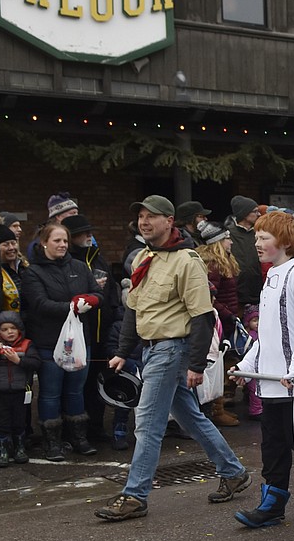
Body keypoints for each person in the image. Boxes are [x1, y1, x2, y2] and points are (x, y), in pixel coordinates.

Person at [94, 196, 249, 522]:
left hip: (171, 349)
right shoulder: (143, 259)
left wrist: (196, 364)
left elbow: (202, 316)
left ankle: (134, 496)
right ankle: (233, 471)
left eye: (152, 216)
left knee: (147, 424)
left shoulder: (187, 261)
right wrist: (123, 352)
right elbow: (134, 310)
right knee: (190, 417)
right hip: (151, 348)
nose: (144, 222)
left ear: (169, 221)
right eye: (140, 217)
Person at [230, 211, 294, 528]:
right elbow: (268, 333)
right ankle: (272, 505)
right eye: (256, 237)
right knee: (273, 445)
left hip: (292, 383)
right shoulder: (271, 275)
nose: (256, 243)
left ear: (284, 241)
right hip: (271, 383)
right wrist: (247, 365)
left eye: (263, 238)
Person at [20, 221, 100, 460]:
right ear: (44, 242)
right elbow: (39, 304)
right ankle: (51, 441)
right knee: (50, 393)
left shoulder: (79, 267)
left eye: (65, 240)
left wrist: (92, 300)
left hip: (78, 341)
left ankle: (78, 437)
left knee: (76, 391)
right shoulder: (33, 272)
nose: (63, 245)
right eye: (57, 240)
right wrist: (72, 306)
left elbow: (97, 292)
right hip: (49, 341)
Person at [65, 214, 121, 443]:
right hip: (79, 335)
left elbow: (112, 293)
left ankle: (96, 427)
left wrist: (114, 317)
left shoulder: (97, 258)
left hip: (102, 331)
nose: (89, 236)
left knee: (99, 383)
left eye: (89, 231)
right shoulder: (70, 262)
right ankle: (76, 432)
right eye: (83, 233)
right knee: (77, 386)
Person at [195, 221, 241, 427]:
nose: (230, 242)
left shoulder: (225, 261)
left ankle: (218, 407)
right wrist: (228, 314)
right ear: (218, 242)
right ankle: (215, 410)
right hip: (219, 320)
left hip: (226, 317)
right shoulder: (212, 265)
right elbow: (211, 295)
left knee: (223, 362)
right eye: (227, 238)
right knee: (215, 365)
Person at [0, 311, 39, 467]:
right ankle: (2, 450)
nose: (9, 332)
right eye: (4, 329)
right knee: (2, 421)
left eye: (12, 328)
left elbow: (36, 363)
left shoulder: (27, 344)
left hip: (20, 390)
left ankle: (20, 447)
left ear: (19, 328)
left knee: (20, 420)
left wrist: (18, 360)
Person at [227, 195, 262, 311]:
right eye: (255, 211)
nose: (259, 214)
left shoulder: (259, 234)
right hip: (236, 294)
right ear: (244, 213)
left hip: (257, 291)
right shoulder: (228, 235)